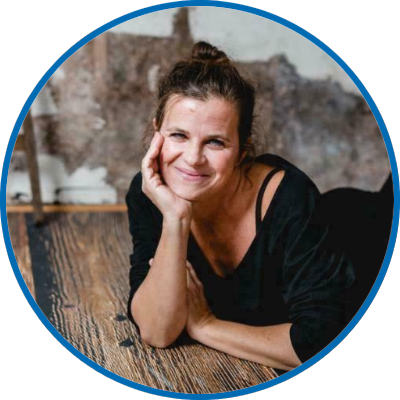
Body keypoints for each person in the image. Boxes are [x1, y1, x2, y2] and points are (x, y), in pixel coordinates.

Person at [125, 41, 360, 372]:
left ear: (242, 149)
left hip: (365, 232)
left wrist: (206, 326)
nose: (192, 158)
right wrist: (176, 218)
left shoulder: (290, 198)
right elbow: (157, 331)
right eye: (178, 135)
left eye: (215, 142)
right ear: (156, 134)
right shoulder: (150, 192)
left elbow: (320, 343)